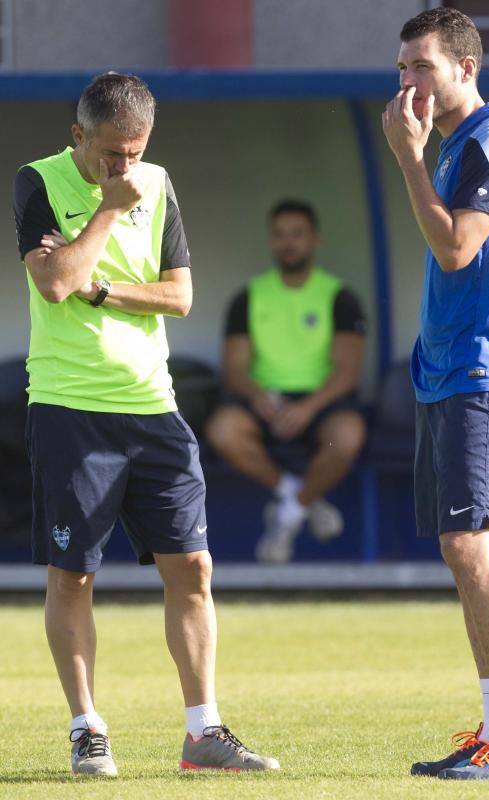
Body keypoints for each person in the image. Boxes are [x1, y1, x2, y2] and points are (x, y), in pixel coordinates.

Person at [13, 72, 278, 777]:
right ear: (78, 137)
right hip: (70, 407)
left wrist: (107, 289)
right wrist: (104, 212)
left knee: (192, 567)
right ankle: (86, 727)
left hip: (152, 406)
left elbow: (180, 296)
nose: (124, 168)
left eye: (134, 153)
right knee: (73, 575)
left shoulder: (157, 184)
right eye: (109, 155)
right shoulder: (37, 182)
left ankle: (204, 732)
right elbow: (54, 281)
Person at [382, 8, 489, 782]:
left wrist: (407, 161)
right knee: (463, 551)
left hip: (486, 371)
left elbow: (456, 248)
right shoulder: (454, 145)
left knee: (471, 545)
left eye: (420, 66)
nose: (407, 82)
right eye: (400, 69)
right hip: (447, 370)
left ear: (464, 68)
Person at [205, 200, 367, 563]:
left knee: (347, 437)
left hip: (323, 404)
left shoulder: (340, 297)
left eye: (297, 234)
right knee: (223, 431)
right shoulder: (248, 297)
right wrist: (257, 395)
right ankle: (300, 499)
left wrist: (308, 407)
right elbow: (234, 368)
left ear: (315, 240)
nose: (288, 242)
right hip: (265, 401)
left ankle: (287, 515)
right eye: (280, 235)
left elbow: (348, 371)